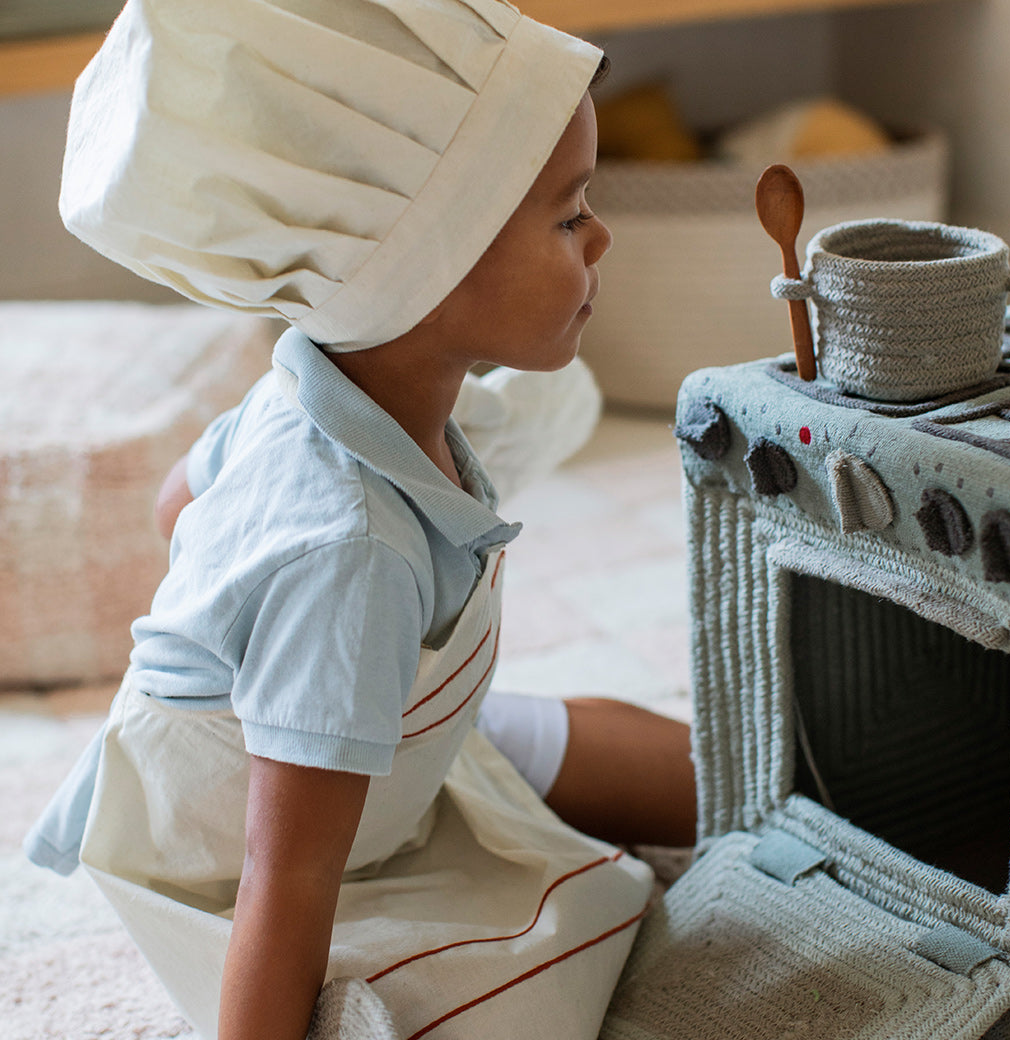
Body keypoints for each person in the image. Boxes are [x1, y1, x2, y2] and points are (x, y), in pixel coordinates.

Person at [24, 2, 697, 1039]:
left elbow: (181, 504)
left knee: (696, 777)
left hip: (381, 764)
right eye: (570, 216)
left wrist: (239, 632)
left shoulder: (330, 384)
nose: (601, 233)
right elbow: (284, 876)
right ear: (428, 276)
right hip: (244, 852)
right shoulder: (348, 552)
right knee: (544, 955)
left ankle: (755, 778)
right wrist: (286, 651)